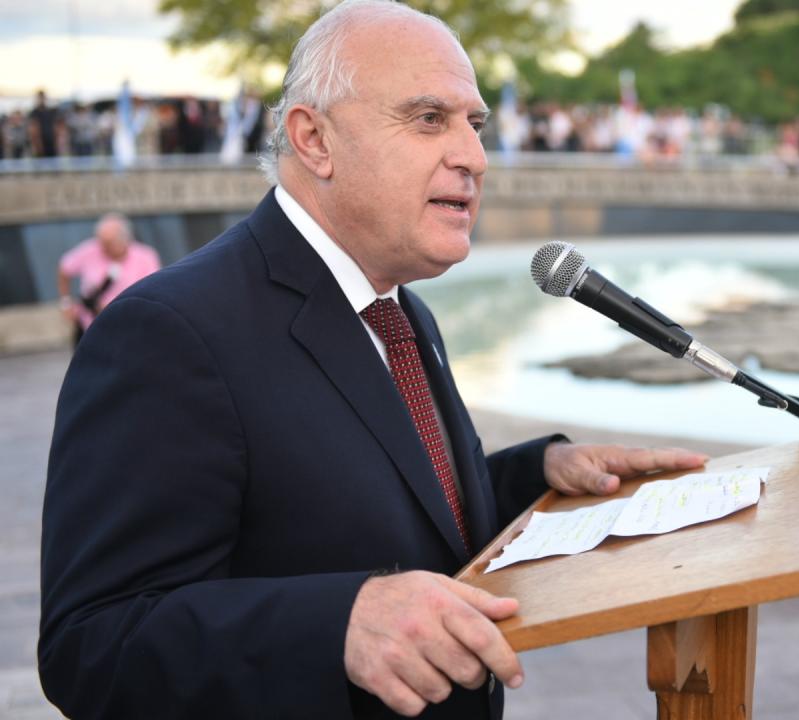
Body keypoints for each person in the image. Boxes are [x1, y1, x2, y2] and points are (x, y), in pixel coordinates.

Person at [38, 2, 708, 719]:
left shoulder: (399, 308)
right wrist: (340, 625)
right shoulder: (170, 331)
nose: (474, 157)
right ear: (314, 139)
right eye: (429, 119)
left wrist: (534, 475)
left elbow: (381, 503)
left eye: (475, 124)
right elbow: (93, 644)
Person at [55, 212, 161, 344]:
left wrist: (114, 307)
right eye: (101, 242)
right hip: (91, 327)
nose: (103, 247)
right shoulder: (89, 250)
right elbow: (64, 269)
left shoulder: (145, 256)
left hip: (131, 326)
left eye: (109, 243)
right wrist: (66, 303)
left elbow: (153, 291)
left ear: (125, 239)